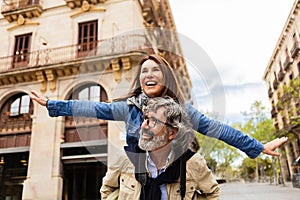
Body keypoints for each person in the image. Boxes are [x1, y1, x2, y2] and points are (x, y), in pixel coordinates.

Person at [30, 53, 287, 159]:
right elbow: (96, 109)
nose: (149, 74)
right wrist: (54, 104)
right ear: (140, 79)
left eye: (156, 70)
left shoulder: (182, 113)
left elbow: (216, 128)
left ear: (165, 78)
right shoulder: (129, 108)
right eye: (144, 71)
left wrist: (258, 146)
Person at [100, 97, 220, 200]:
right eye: (145, 119)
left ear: (171, 133)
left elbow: (213, 194)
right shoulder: (126, 158)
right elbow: (107, 191)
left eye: (153, 121)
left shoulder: (193, 163)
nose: (144, 126)